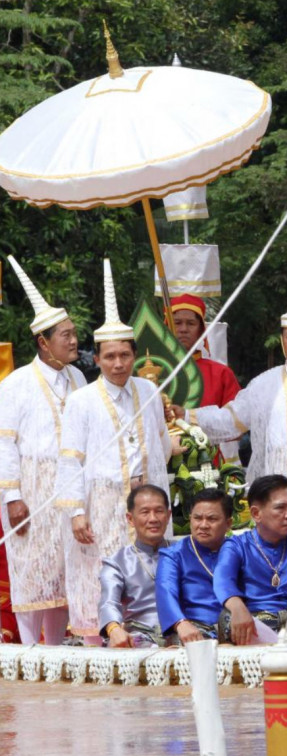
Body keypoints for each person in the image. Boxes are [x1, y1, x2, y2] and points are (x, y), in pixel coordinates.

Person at [176, 245, 287, 529]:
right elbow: (231, 420)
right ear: (282, 341)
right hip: (277, 481)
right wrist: (185, 415)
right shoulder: (263, 384)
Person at [55, 260, 175, 643]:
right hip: (103, 502)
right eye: (110, 357)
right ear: (97, 358)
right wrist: (76, 511)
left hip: (148, 502)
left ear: (135, 354)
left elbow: (161, 445)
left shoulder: (150, 392)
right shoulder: (82, 400)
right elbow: (70, 459)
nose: (118, 363)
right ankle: (100, 643)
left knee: (151, 571)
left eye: (125, 355)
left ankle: (153, 635)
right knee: (100, 572)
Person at [0, 256, 87, 645]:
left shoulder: (80, 377)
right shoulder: (16, 383)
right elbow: (4, 443)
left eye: (73, 333)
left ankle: (56, 650)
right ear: (43, 341)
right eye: (65, 335)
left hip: (69, 488)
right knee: (32, 571)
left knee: (64, 571)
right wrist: (13, 496)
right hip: (30, 490)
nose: (73, 340)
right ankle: (31, 650)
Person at [214, 475, 287, 643]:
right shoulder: (237, 545)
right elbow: (222, 581)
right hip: (257, 627)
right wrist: (238, 608)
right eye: (280, 508)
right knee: (228, 617)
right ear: (256, 513)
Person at [170, 294, 241, 464]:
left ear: (202, 330)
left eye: (191, 323)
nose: (183, 329)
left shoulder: (221, 373)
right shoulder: (152, 372)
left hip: (209, 463)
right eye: (177, 323)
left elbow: (237, 426)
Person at [98, 485, 171, 648]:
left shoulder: (182, 553)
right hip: (138, 641)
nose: (153, 519)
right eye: (145, 512)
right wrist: (113, 628)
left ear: (168, 515)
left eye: (159, 511)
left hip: (183, 637)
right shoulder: (117, 561)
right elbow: (108, 602)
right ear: (130, 519)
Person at [155, 487, 230, 643]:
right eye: (197, 518)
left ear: (228, 523)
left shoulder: (238, 549)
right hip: (195, 631)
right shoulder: (174, 554)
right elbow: (165, 591)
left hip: (238, 628)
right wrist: (180, 623)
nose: (203, 525)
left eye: (212, 519)